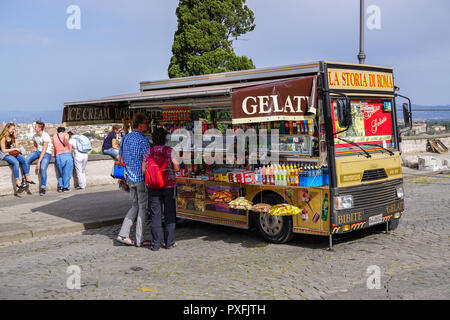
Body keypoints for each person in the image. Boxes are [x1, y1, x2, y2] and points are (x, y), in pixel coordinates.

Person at [116, 113, 151, 247]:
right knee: (142, 208)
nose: (147, 126)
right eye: (146, 123)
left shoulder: (125, 138)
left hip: (129, 178)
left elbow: (120, 158)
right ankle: (139, 239)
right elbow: (147, 160)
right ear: (140, 125)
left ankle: (123, 234)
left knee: (135, 206)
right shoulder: (143, 141)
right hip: (141, 178)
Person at [144, 127, 180, 251]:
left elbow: (144, 169)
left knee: (155, 215)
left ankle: (156, 244)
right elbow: (176, 168)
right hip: (168, 185)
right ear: (165, 139)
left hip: (153, 186)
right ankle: (169, 242)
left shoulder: (148, 152)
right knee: (169, 213)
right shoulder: (170, 151)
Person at [0, 123, 35, 190]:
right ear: (7, 128)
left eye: (14, 129)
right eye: (12, 129)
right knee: (16, 162)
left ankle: (26, 177)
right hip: (4, 154)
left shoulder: (12, 136)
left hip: (12, 152)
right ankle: (17, 181)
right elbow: (3, 150)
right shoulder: (2, 137)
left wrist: (15, 137)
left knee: (24, 160)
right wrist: (14, 149)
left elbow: (16, 147)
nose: (13, 130)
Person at [25, 121, 53, 196]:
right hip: (38, 152)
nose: (34, 127)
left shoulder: (46, 136)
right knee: (26, 160)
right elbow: (35, 144)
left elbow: (44, 150)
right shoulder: (35, 136)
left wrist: (38, 162)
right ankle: (27, 178)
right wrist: (34, 148)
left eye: (36, 126)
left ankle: (43, 187)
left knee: (43, 168)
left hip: (46, 153)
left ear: (40, 128)